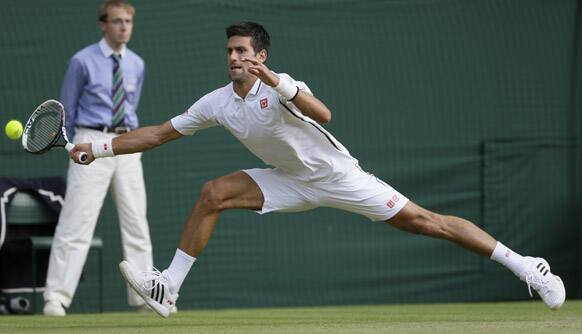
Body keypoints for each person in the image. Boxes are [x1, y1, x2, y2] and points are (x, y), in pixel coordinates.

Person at [70, 22, 566, 318]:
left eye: (244, 51)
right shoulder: (218, 103)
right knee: (213, 192)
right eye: (230, 52)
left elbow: (323, 114)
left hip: (336, 176)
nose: (235, 58)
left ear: (261, 56)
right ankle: (169, 286)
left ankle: (527, 266)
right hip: (286, 181)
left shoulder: (281, 84)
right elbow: (157, 133)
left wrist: (280, 85)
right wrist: (100, 148)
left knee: (427, 223)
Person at [43, 0, 154, 316]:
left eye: (128, 21)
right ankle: (56, 298)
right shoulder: (81, 61)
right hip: (90, 139)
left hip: (127, 142)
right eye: (117, 21)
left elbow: (131, 105)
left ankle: (145, 296)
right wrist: (72, 143)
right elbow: (67, 108)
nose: (123, 27)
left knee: (137, 223)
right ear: (103, 24)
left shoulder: (137, 64)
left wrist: (128, 139)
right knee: (77, 221)